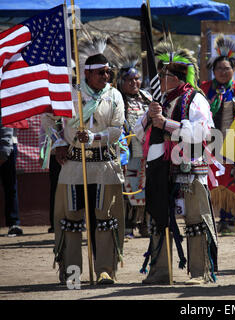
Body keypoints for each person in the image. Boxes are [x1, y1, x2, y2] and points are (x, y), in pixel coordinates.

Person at [135, 40, 218, 285]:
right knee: (159, 219)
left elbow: (203, 132)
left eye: (165, 74)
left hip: (190, 167)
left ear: (178, 77)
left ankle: (199, 272)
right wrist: (150, 118)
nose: (160, 77)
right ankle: (160, 271)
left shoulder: (195, 99)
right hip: (161, 169)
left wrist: (166, 124)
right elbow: (137, 134)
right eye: (159, 73)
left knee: (195, 219)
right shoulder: (157, 103)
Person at [46, 36, 126, 285]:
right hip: (73, 166)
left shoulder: (114, 96)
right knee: (70, 219)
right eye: (101, 72)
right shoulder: (70, 94)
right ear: (88, 74)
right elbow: (49, 118)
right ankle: (71, 274)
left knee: (106, 218)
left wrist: (94, 136)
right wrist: (59, 143)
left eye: (109, 72)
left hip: (104, 166)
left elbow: (117, 129)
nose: (106, 77)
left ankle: (105, 271)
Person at [200, 34, 235, 236]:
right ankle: (211, 219)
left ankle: (230, 220)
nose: (222, 72)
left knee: (232, 180)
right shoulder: (203, 90)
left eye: (226, 68)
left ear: (234, 69)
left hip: (234, 145)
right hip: (209, 144)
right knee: (211, 179)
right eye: (218, 68)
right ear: (213, 71)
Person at [116, 55, 152, 239]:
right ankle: (128, 223)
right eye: (129, 80)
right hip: (127, 149)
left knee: (146, 185)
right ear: (121, 82)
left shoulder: (147, 97)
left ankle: (145, 223)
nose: (134, 82)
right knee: (128, 185)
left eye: (137, 79)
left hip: (146, 149)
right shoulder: (117, 100)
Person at [0, 124, 23, 236]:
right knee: (10, 186)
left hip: (7, 146)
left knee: (10, 186)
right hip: (7, 145)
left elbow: (6, 123)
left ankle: (13, 223)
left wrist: (4, 151)